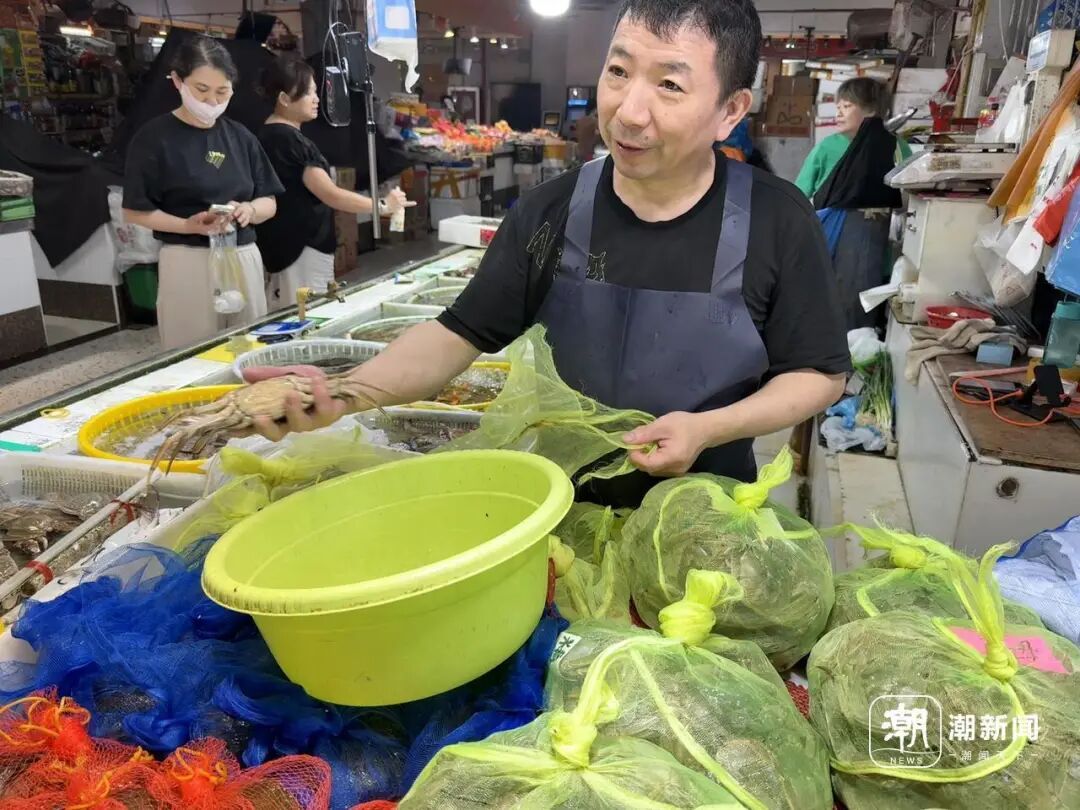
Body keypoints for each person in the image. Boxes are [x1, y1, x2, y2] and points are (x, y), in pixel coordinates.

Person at [249, 0, 850, 508]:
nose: (629, 111)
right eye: (618, 72)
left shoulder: (777, 219)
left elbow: (818, 373)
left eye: (669, 84)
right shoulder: (550, 213)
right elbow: (456, 335)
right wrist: (346, 392)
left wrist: (709, 428)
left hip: (710, 518)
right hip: (559, 507)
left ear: (730, 111)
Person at [123, 35, 283, 350]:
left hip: (242, 255)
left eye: (222, 92)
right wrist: (187, 225)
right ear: (177, 81)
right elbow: (135, 210)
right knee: (192, 350)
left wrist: (250, 210)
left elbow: (270, 201)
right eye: (202, 90)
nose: (212, 102)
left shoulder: (241, 137)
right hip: (188, 260)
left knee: (248, 346)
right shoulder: (154, 139)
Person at [255, 56, 410, 309]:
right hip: (300, 248)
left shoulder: (267, 135)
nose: (316, 99)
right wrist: (381, 205)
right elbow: (331, 194)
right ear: (284, 98)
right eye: (309, 93)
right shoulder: (290, 141)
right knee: (305, 316)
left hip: (281, 246)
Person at [795, 77, 911, 330]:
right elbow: (799, 194)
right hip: (827, 232)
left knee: (862, 297)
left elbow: (908, 195)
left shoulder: (896, 147)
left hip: (875, 235)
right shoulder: (828, 147)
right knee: (821, 296)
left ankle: (854, 347)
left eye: (846, 106)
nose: (838, 112)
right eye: (838, 106)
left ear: (871, 110)